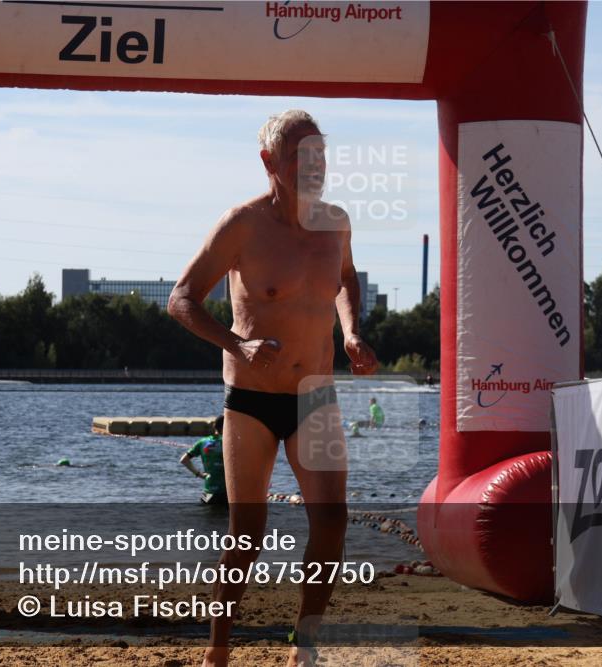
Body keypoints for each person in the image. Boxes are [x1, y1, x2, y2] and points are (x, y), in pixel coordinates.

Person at [167, 109, 379, 667]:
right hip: (252, 402)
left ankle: (303, 646)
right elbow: (181, 299)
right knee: (247, 535)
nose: (313, 167)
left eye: (320, 156)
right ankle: (217, 650)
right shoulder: (243, 225)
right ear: (269, 163)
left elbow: (347, 278)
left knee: (332, 521)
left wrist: (352, 332)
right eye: (299, 157)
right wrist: (238, 345)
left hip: (316, 395)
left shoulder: (336, 222)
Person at [181, 415, 228, 505]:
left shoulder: (202, 442)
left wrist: (198, 474)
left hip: (207, 493)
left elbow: (184, 460)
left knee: (206, 516)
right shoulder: (229, 442)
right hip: (225, 493)